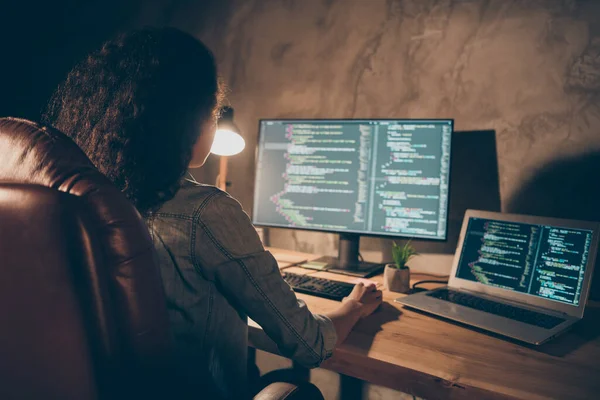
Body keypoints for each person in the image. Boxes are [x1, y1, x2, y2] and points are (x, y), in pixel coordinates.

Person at [43, 27, 382, 399]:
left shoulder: (83, 200)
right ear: (185, 120)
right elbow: (309, 343)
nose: (215, 120)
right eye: (212, 110)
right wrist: (353, 306)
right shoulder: (205, 212)